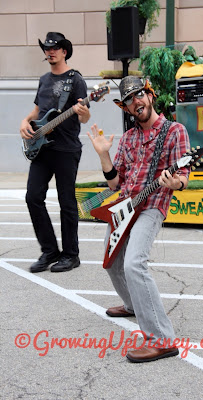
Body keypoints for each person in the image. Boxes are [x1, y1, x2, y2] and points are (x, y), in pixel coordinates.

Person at [87, 76, 191, 363]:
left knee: (134, 263)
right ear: (126, 107)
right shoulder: (130, 137)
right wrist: (104, 155)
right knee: (112, 263)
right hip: (124, 205)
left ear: (150, 95)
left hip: (152, 205)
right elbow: (114, 183)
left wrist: (174, 184)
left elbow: (183, 176)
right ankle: (134, 304)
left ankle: (162, 340)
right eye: (129, 100)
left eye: (139, 95)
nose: (136, 102)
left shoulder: (174, 131)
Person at [20, 32, 90, 273]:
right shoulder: (44, 79)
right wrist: (24, 122)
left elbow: (85, 115)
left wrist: (81, 111)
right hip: (42, 147)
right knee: (32, 197)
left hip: (66, 149)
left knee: (66, 202)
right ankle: (50, 251)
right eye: (47, 48)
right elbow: (38, 110)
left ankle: (71, 255)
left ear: (64, 51)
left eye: (55, 48)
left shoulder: (75, 79)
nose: (50, 52)